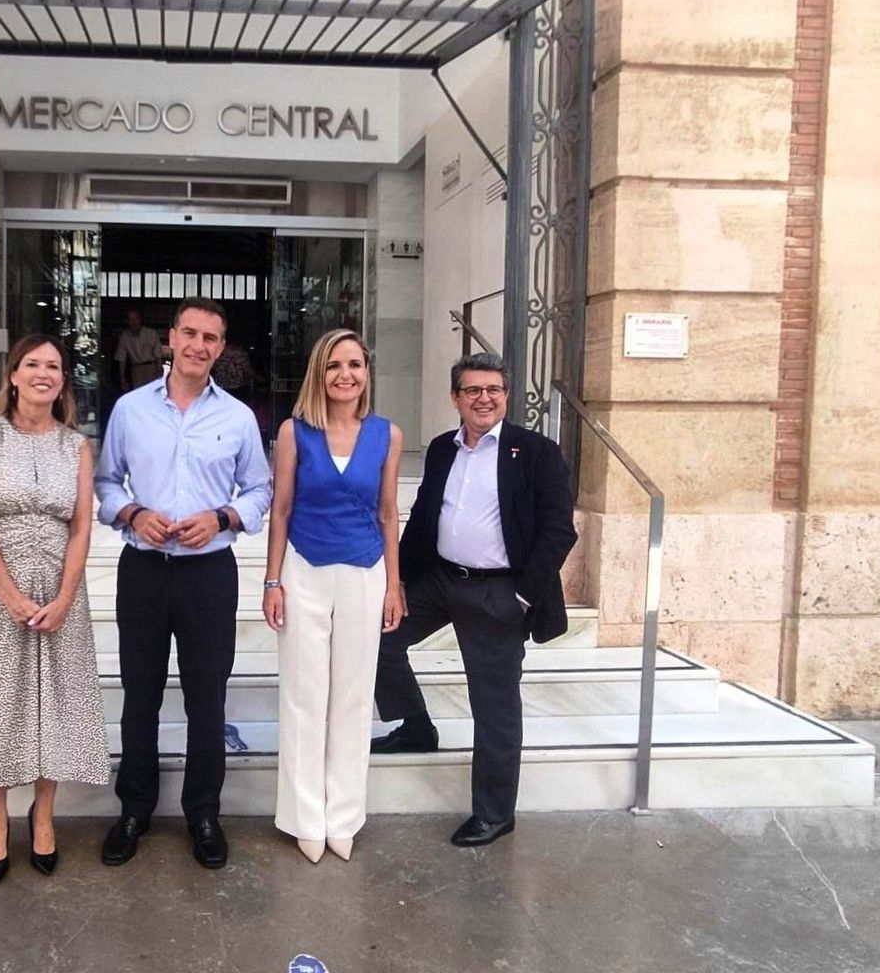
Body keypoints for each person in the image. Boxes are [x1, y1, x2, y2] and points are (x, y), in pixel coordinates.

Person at [370, 352, 577, 848]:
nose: (484, 398)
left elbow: (557, 531)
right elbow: (423, 516)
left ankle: (493, 812)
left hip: (500, 592)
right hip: (439, 581)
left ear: (505, 395)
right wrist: (395, 581)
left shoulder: (536, 452)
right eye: (472, 390)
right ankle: (417, 727)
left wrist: (524, 596)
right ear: (455, 398)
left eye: (494, 390)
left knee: (494, 705)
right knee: (376, 638)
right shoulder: (443, 448)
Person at [94, 296, 272, 870]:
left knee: (206, 698)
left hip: (209, 576)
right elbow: (105, 480)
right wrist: (131, 513)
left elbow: (259, 491)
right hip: (144, 570)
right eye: (189, 333)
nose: (199, 346)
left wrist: (221, 518)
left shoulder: (239, 418)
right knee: (139, 695)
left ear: (221, 348)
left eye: (211, 338)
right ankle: (134, 810)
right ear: (170, 339)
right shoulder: (129, 410)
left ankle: (203, 812)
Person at [0, 334, 108, 884]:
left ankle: (44, 814)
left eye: (55, 366)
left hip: (62, 586)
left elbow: (83, 523)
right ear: (13, 375)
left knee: (55, 703)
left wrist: (65, 596)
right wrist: (12, 597)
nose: (45, 374)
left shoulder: (76, 446)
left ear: (64, 379)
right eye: (34, 365)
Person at [262, 329, 404, 864]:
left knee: (351, 695)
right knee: (303, 695)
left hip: (366, 571)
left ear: (367, 373)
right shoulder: (296, 432)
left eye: (356, 365)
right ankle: (304, 817)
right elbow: (280, 510)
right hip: (304, 568)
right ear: (319, 374)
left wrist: (395, 583)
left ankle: (343, 815)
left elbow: (389, 514)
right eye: (334, 366)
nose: (346, 374)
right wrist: (272, 581)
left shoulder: (387, 435)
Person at [114, 308, 163, 391]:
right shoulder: (125, 337)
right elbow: (122, 359)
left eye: (136, 319)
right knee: (138, 394)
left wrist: (159, 371)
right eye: (130, 320)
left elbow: (158, 354)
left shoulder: (151, 333)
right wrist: (122, 378)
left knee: (152, 393)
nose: (134, 322)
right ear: (127, 322)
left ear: (140, 320)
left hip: (151, 367)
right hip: (136, 369)